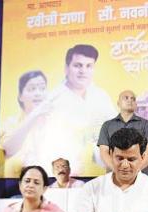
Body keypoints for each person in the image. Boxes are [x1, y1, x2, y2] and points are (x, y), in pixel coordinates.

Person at [37, 44, 114, 175]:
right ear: (66, 69)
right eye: (78, 65)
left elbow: (116, 129)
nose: (83, 71)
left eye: (88, 66)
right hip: (64, 174)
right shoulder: (52, 100)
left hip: (102, 172)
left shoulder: (101, 95)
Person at [0, 70, 49, 178]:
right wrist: (33, 115)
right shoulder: (10, 123)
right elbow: (9, 150)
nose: (38, 93)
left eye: (42, 88)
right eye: (32, 89)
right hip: (13, 184)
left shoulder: (55, 123)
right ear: (20, 96)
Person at [97, 90, 148, 174]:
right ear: (118, 103)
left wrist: (135, 170)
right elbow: (104, 152)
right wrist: (117, 170)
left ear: (136, 104)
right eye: (126, 98)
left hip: (140, 174)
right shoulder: (107, 125)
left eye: (133, 99)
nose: (130, 100)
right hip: (114, 174)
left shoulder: (146, 124)